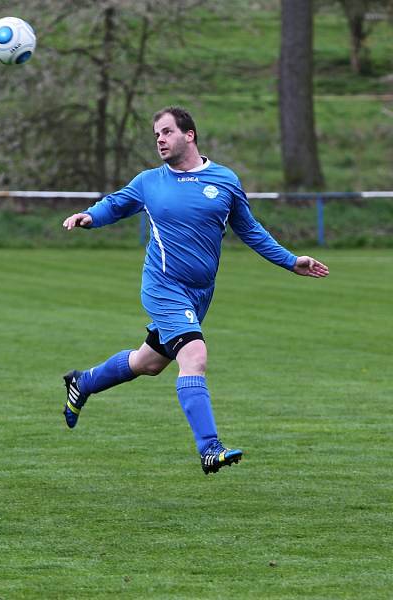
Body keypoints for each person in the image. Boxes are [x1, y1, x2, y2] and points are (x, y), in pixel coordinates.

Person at [61, 106, 329, 475]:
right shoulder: (149, 182)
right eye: (156, 134)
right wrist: (89, 217)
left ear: (189, 135)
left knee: (149, 363)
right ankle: (209, 447)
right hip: (163, 286)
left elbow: (249, 230)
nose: (159, 139)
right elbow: (116, 205)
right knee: (195, 356)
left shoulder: (224, 180)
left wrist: (289, 260)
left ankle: (83, 381)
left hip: (200, 294)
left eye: (167, 132)